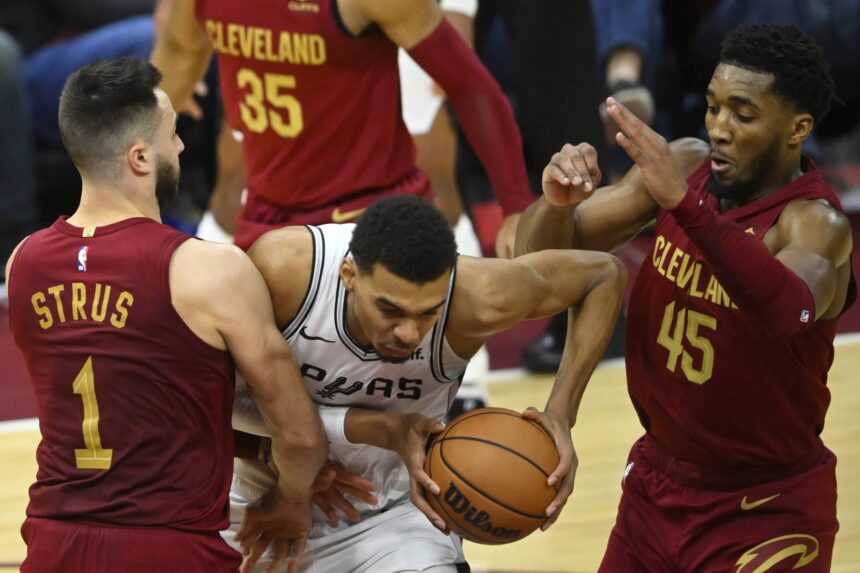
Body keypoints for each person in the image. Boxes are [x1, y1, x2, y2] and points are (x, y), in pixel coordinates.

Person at [515, 24, 855, 572]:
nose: (719, 128)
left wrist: (685, 206)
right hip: (657, 487)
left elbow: (783, 308)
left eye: (743, 115)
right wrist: (555, 205)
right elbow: (535, 265)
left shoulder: (815, 224)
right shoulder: (686, 165)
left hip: (767, 508)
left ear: (797, 129)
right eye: (715, 107)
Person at [4, 57, 327, 573]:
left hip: (51, 545)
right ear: (139, 157)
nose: (179, 147)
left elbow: (128, 388)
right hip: (168, 549)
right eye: (172, 135)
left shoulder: (23, 263)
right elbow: (302, 434)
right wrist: (290, 501)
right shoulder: (208, 269)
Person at [228, 195, 627, 572]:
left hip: (392, 513)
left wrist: (561, 412)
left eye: (427, 313)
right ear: (348, 275)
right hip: (259, 494)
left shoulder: (477, 295)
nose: (407, 333)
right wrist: (292, 451)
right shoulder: (285, 273)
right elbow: (208, 400)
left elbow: (602, 276)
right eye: (389, 309)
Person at [150, 0, 532, 257]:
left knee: (436, 168)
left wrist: (516, 208)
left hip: (369, 222)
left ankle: (459, 370)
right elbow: (180, 52)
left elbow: (472, 85)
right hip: (269, 219)